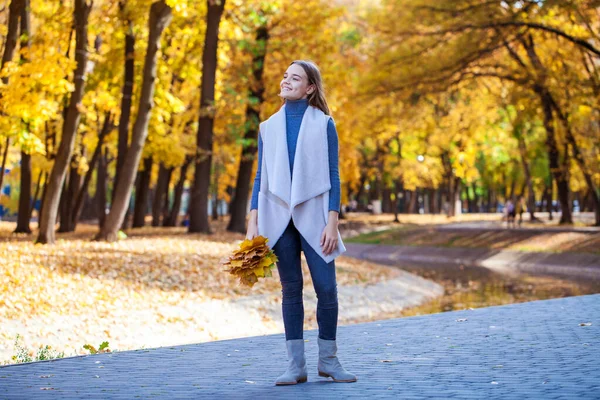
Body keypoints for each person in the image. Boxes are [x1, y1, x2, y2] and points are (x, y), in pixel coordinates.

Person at [246, 60, 357, 385]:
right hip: (278, 219)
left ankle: (329, 362)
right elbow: (260, 178)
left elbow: (334, 176)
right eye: (285, 76)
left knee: (327, 289)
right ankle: (296, 367)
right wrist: (253, 223)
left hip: (315, 218)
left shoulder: (324, 125)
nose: (286, 81)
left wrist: (332, 223)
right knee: (290, 290)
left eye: (295, 78)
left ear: (310, 87)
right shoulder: (267, 127)